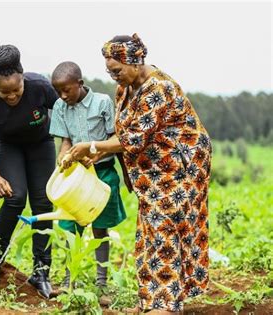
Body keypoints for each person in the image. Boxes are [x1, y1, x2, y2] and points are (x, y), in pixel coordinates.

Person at [66, 34, 212, 314]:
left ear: (135, 61)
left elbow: (133, 139)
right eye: (109, 72)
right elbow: (122, 134)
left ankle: (167, 304)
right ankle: (150, 300)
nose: (114, 77)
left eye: (117, 71)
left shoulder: (159, 88)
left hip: (180, 164)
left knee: (165, 227)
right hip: (152, 168)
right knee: (148, 228)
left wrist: (90, 146)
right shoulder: (125, 89)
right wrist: (97, 156)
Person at [0, 44, 59, 298]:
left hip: (41, 143)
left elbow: (67, 111)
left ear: (23, 77)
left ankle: (41, 271)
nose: (11, 97)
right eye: (4, 93)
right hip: (6, 145)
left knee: (44, 203)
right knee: (15, 197)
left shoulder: (41, 86)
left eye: (16, 90)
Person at [49, 61, 127, 305]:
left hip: (102, 173)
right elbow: (65, 141)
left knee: (100, 228)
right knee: (71, 225)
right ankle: (68, 279)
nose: (63, 95)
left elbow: (117, 138)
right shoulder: (60, 106)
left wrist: (96, 154)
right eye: (58, 91)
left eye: (67, 90)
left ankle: (101, 284)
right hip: (76, 177)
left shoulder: (102, 102)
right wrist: (63, 155)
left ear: (80, 84)